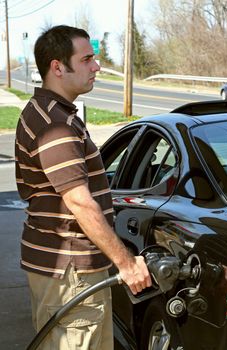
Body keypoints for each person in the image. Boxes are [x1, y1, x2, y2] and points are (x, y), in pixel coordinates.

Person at [15, 25, 152, 350]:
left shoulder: (47, 112)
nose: (96, 66)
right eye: (87, 58)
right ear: (58, 67)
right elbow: (80, 203)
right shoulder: (56, 126)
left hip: (60, 268)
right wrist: (126, 263)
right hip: (71, 271)